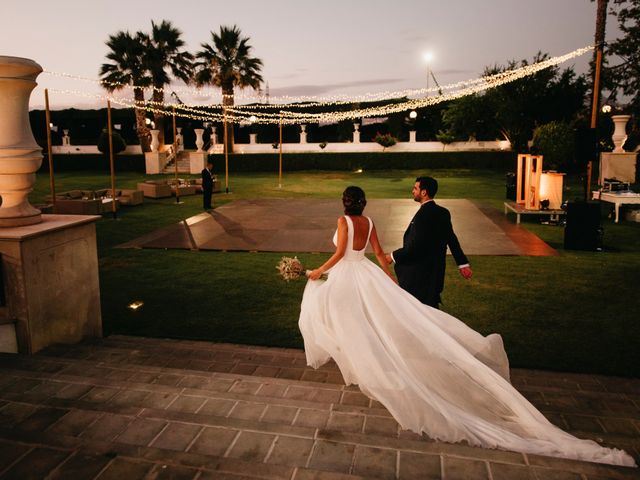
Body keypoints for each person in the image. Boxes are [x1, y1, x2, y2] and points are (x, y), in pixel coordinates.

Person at [300, 186, 635, 467]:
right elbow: (378, 255)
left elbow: (342, 253)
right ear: (363, 203)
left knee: (337, 314)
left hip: (347, 275)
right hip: (366, 275)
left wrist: (317, 271)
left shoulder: (343, 221)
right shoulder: (370, 222)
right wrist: (390, 280)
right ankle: (364, 362)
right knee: (366, 320)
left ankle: (365, 365)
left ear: (345, 203)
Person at [386, 176, 471, 308]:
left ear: (424, 192)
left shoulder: (423, 216)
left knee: (419, 311)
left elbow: (415, 246)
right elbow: (451, 238)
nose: (413, 191)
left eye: (415, 188)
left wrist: (392, 256)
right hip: (436, 272)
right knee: (431, 310)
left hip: (419, 275)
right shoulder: (443, 212)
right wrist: (462, 263)